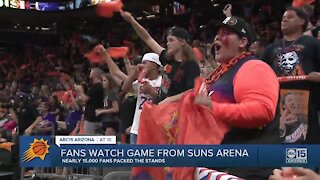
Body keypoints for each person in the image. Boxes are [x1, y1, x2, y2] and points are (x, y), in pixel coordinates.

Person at [193, 16, 280, 179]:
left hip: (244, 168)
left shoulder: (253, 67)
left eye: (225, 33)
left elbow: (262, 111)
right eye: (217, 34)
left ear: (242, 42)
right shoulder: (221, 74)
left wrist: (213, 109)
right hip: (218, 165)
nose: (217, 37)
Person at [262, 7, 320, 144]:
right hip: (278, 103)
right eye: (283, 18)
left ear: (301, 21)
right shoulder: (270, 49)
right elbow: (260, 73)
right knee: (279, 144)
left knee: (307, 148)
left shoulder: (312, 44)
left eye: (290, 17)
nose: (284, 20)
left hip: (307, 102)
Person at [121, 12, 200, 103]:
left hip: (179, 111)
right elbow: (147, 38)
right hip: (162, 108)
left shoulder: (191, 65)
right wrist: (132, 20)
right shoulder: (167, 58)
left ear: (182, 42)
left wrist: (169, 100)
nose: (167, 43)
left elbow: (193, 91)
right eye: (167, 40)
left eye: (171, 40)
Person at [95, 45, 162, 144]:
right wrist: (134, 72)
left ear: (154, 65)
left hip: (155, 128)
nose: (142, 65)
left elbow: (165, 100)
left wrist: (151, 92)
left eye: (145, 63)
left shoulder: (162, 81)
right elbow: (124, 87)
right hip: (137, 128)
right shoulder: (140, 81)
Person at [75, 67, 104, 134]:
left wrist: (80, 91)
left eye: (90, 73)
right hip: (94, 116)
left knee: (89, 139)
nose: (89, 75)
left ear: (94, 75)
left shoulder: (96, 87)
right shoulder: (97, 86)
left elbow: (85, 99)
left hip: (91, 118)